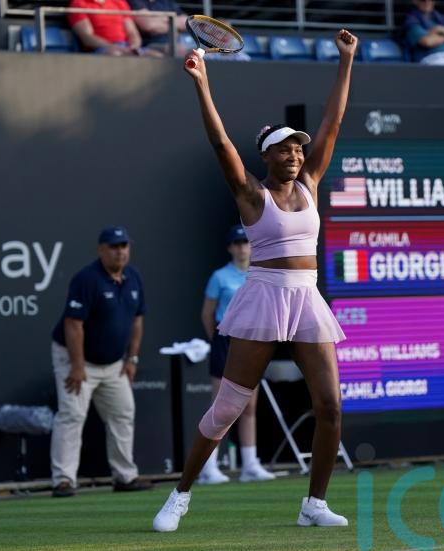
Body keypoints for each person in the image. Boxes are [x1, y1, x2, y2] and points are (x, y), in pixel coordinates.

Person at [152, 28, 357, 532]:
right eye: (283, 149)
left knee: (330, 406)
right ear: (266, 156)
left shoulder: (309, 183)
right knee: (227, 409)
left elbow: (332, 122)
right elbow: (220, 141)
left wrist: (346, 61)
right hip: (263, 297)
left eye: (297, 148)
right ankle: (180, 495)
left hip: (305, 297)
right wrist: (201, 81)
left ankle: (313, 504)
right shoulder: (250, 194)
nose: (294, 153)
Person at [49, 225, 152, 497]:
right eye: (114, 247)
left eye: (124, 246)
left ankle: (125, 477)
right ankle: (63, 480)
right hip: (77, 360)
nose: (120, 252)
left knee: (123, 412)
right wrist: (78, 365)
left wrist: (132, 358)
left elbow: (137, 319)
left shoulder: (133, 277)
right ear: (101, 250)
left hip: (114, 364)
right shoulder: (87, 278)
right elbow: (73, 324)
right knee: (72, 414)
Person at [198, 224, 276, 484]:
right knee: (220, 406)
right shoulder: (220, 277)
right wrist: (219, 339)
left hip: (250, 341)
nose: (243, 247)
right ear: (231, 248)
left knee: (249, 405)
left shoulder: (258, 275)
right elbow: (207, 314)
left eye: (246, 242)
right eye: (238, 243)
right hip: (225, 340)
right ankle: (208, 467)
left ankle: (250, 465)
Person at [68, 0, 161, 57]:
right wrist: (114, 47)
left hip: (127, 47)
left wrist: (134, 47)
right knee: (116, 55)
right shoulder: (78, 4)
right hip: (102, 49)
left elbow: (132, 31)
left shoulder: (119, 2)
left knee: (156, 56)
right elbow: (87, 37)